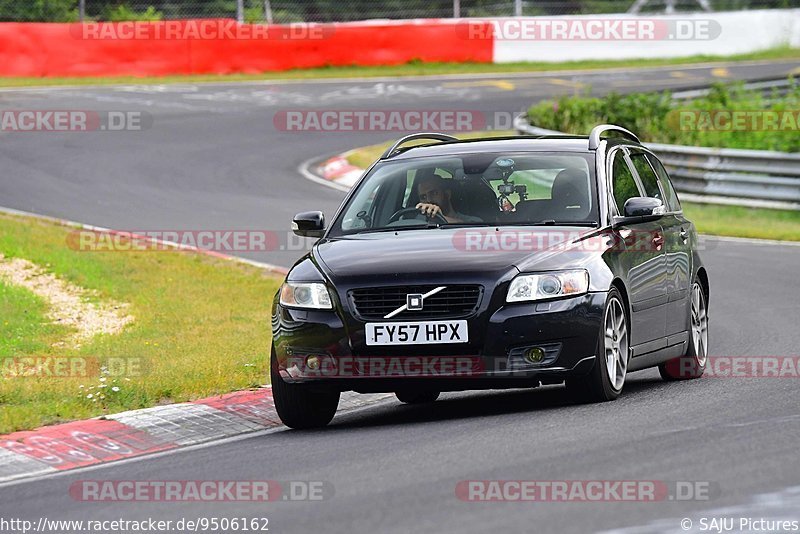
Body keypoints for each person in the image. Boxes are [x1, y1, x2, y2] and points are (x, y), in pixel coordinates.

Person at [415, 174, 482, 224]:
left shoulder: (472, 221)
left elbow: (469, 229)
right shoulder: (416, 221)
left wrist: (440, 217)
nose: (429, 200)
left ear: (447, 194)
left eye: (434, 193)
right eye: (423, 197)